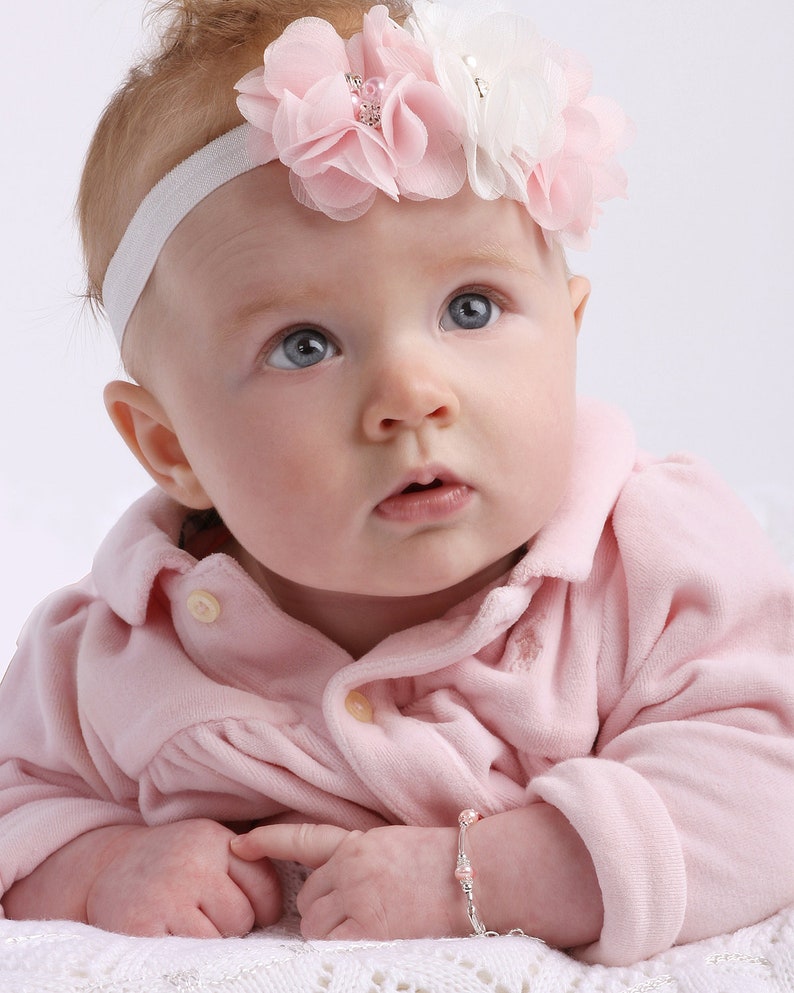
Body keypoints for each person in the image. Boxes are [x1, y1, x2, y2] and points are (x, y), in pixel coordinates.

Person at [1, 0, 793, 968]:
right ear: (170, 446)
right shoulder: (112, 653)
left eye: (470, 307)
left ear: (570, 330)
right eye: (305, 345)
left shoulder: (650, 565)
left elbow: (763, 778)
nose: (411, 395)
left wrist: (498, 871)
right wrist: (99, 865)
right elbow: (17, 803)